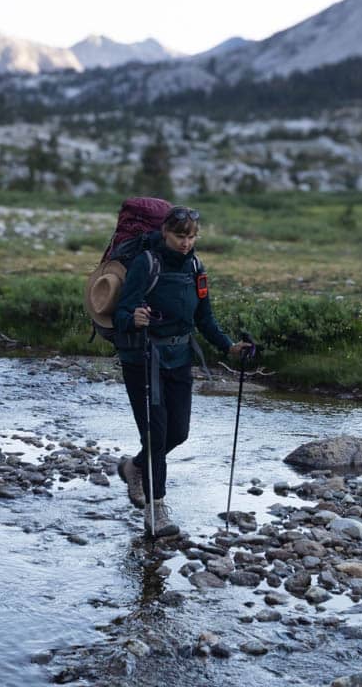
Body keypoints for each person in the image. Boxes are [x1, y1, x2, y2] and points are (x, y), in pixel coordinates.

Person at [113, 205, 249, 538]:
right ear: (165, 233)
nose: (186, 242)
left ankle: (134, 466)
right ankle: (156, 512)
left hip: (180, 357)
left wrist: (229, 347)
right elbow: (120, 313)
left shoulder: (196, 267)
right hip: (144, 359)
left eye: (191, 236)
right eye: (179, 236)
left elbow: (205, 319)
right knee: (157, 436)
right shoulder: (146, 264)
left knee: (179, 433)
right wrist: (134, 317)